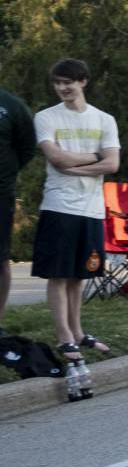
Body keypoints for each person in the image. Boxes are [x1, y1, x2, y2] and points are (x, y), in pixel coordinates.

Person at [32, 59, 120, 369]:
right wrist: (96, 157)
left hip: (91, 207)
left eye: (68, 81)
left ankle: (79, 332)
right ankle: (63, 335)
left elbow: (113, 164)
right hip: (59, 205)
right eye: (57, 83)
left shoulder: (104, 120)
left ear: (83, 81)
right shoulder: (46, 117)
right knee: (59, 274)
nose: (62, 88)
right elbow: (56, 159)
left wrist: (79, 162)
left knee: (79, 274)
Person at [0, 81, 34, 322]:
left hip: (1, 193)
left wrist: (6, 173)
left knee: (0, 260)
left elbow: (27, 148)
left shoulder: (11, 105)